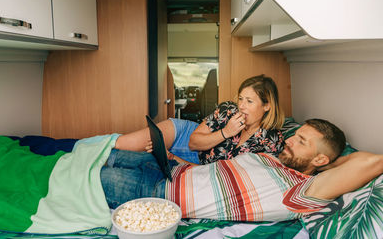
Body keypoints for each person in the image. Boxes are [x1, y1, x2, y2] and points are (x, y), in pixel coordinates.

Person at [101, 118, 383, 221]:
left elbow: (372, 162)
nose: (289, 140)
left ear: (321, 160)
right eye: (294, 135)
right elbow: (213, 174)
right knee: (100, 153)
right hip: (171, 169)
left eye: (301, 141)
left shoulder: (300, 193)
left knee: (83, 179)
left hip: (157, 192)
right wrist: (174, 159)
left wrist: (331, 164)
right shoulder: (270, 158)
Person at [114, 74, 286, 165]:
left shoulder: (271, 141)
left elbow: (218, 175)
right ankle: (89, 148)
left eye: (249, 101)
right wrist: (226, 132)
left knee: (143, 159)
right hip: (186, 134)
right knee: (122, 144)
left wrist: (171, 158)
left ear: (267, 106)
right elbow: (193, 143)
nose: (241, 106)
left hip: (198, 163)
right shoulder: (228, 110)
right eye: (240, 98)